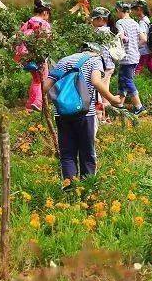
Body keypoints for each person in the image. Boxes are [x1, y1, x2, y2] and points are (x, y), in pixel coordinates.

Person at [43, 43, 123, 186]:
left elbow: (45, 87)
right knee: (87, 153)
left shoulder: (64, 61)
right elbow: (96, 81)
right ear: (96, 52)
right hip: (85, 114)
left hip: (62, 114)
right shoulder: (95, 60)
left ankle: (70, 190)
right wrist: (112, 99)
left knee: (67, 154)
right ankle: (87, 189)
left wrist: (63, 101)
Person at [18, 0, 52, 112]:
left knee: (35, 79)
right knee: (42, 79)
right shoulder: (44, 24)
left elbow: (19, 37)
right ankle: (37, 103)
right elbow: (47, 39)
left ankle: (30, 104)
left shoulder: (28, 22)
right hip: (39, 56)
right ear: (45, 12)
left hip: (26, 56)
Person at [115, 1, 145, 115]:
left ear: (118, 10)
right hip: (135, 56)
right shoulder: (135, 23)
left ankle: (139, 106)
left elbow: (122, 36)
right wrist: (135, 46)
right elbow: (143, 39)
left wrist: (121, 39)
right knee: (122, 79)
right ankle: (119, 105)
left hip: (126, 57)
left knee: (127, 80)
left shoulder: (120, 23)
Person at [91, 7, 117, 123]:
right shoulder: (109, 30)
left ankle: (104, 117)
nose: (92, 22)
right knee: (103, 91)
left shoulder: (100, 31)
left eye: (93, 20)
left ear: (100, 19)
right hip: (109, 65)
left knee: (102, 92)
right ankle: (104, 116)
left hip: (103, 66)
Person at [132, 0, 152, 77]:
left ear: (139, 9)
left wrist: (135, 46)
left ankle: (134, 82)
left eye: (133, 9)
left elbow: (143, 39)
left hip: (144, 49)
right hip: (150, 47)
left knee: (137, 67)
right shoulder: (146, 19)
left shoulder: (142, 23)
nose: (132, 12)